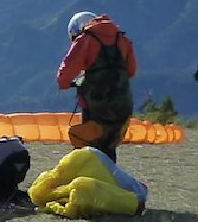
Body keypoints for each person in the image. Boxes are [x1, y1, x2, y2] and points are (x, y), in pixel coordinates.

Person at [55, 11, 137, 161]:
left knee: (90, 147)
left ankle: (91, 179)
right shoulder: (122, 39)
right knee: (109, 147)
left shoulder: (85, 40)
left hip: (96, 108)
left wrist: (71, 83)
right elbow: (131, 71)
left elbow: (64, 77)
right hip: (123, 106)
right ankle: (109, 178)